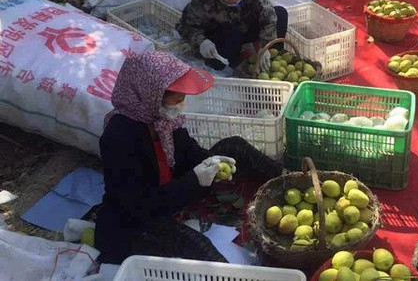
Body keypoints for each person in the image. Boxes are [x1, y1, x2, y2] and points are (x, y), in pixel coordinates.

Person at [95, 52, 282, 264]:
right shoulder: (120, 137)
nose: (181, 103)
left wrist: (211, 161)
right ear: (151, 93)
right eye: (175, 96)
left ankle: (286, 178)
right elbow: (140, 204)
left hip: (175, 190)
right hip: (135, 222)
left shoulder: (164, 121)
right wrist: (193, 181)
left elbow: (189, 150)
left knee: (234, 146)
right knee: (199, 247)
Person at [176, 0, 288, 72]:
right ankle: (237, 63)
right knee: (221, 58)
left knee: (280, 13)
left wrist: (266, 45)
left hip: (245, 25)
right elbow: (186, 26)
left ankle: (273, 56)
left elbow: (267, 11)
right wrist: (202, 42)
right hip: (223, 36)